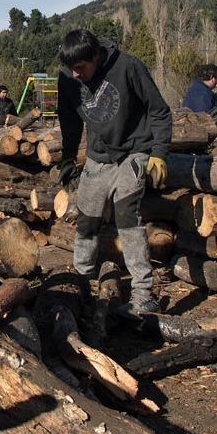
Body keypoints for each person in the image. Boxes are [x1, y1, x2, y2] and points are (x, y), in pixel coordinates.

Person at [56, 29, 172, 312]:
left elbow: (159, 110)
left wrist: (159, 154)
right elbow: (70, 121)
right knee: (86, 220)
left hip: (133, 151)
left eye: (81, 68)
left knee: (126, 215)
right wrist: (68, 158)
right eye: (71, 69)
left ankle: (143, 294)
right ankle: (80, 284)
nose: (75, 74)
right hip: (98, 157)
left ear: (96, 56)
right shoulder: (68, 77)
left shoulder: (128, 66)